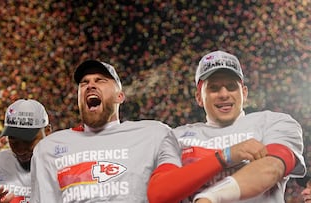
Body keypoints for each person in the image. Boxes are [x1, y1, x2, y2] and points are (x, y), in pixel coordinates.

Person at [30, 59, 262, 203]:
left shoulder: (153, 134)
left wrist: (226, 157)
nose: (90, 84)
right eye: (84, 83)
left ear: (120, 96)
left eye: (101, 80)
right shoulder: (49, 148)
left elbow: (171, 190)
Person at [172, 50, 306, 203]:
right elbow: (162, 188)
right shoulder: (176, 137)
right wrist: (229, 155)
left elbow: (273, 167)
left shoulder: (273, 122)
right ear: (199, 98)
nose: (224, 94)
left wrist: (210, 198)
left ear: (244, 93)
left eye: (231, 86)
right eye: (214, 88)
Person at [0, 99, 52, 203]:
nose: (21, 150)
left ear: (47, 132)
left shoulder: (63, 164)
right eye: (14, 141)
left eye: (28, 141)